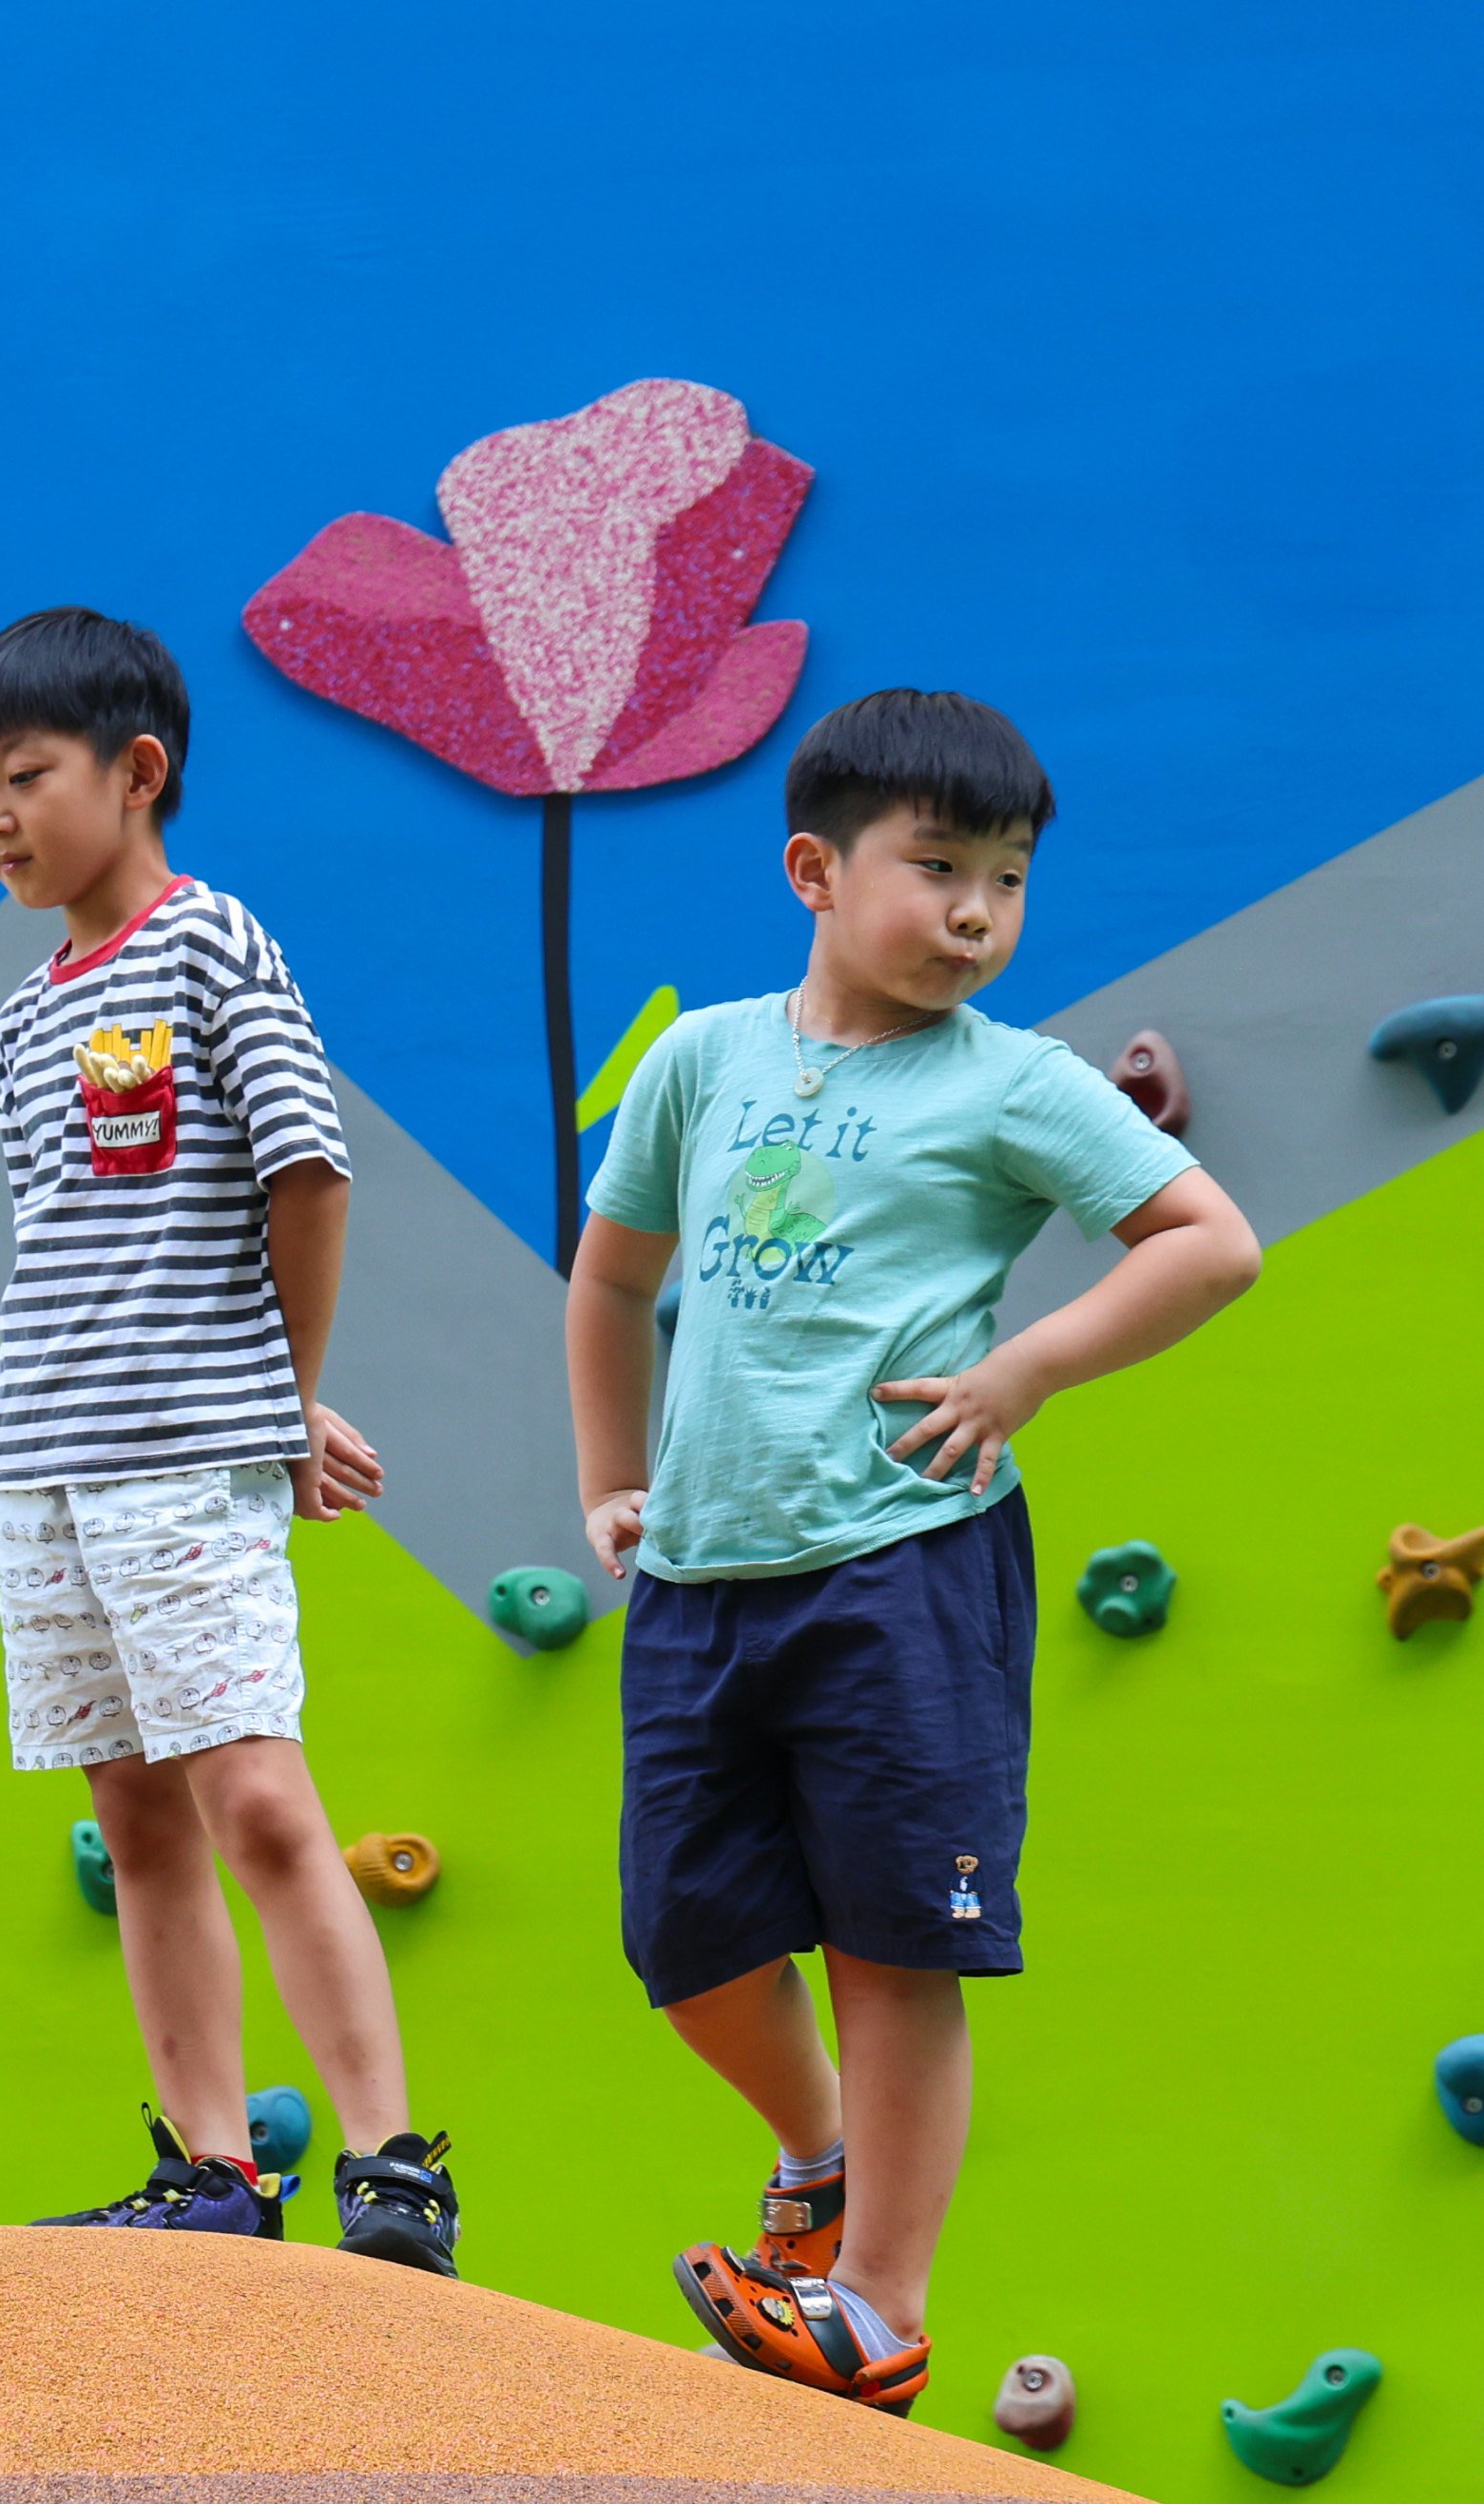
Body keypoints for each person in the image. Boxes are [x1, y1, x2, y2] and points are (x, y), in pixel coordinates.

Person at [568, 689, 1258, 2409]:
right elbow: (612, 1278)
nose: (975, 912)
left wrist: (1028, 1365)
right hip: (699, 1579)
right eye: (937, 867)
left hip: (903, 1567)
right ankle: (818, 2160)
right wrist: (607, 1480)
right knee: (687, 1942)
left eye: (1007, 881)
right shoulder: (701, 1058)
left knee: (897, 1940)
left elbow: (1210, 1241)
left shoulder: (1011, 1082)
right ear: (815, 867)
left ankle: (875, 2304)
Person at [0, 608, 461, 2271]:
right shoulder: (28, 1014)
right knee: (136, 1813)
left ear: (137, 770)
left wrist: (280, 1394)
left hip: (185, 1455)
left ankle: (392, 2165)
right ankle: (211, 2168)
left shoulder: (212, 941)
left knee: (252, 1788)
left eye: (26, 774)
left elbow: (306, 1171)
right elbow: (64, 1238)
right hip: (42, 1460)